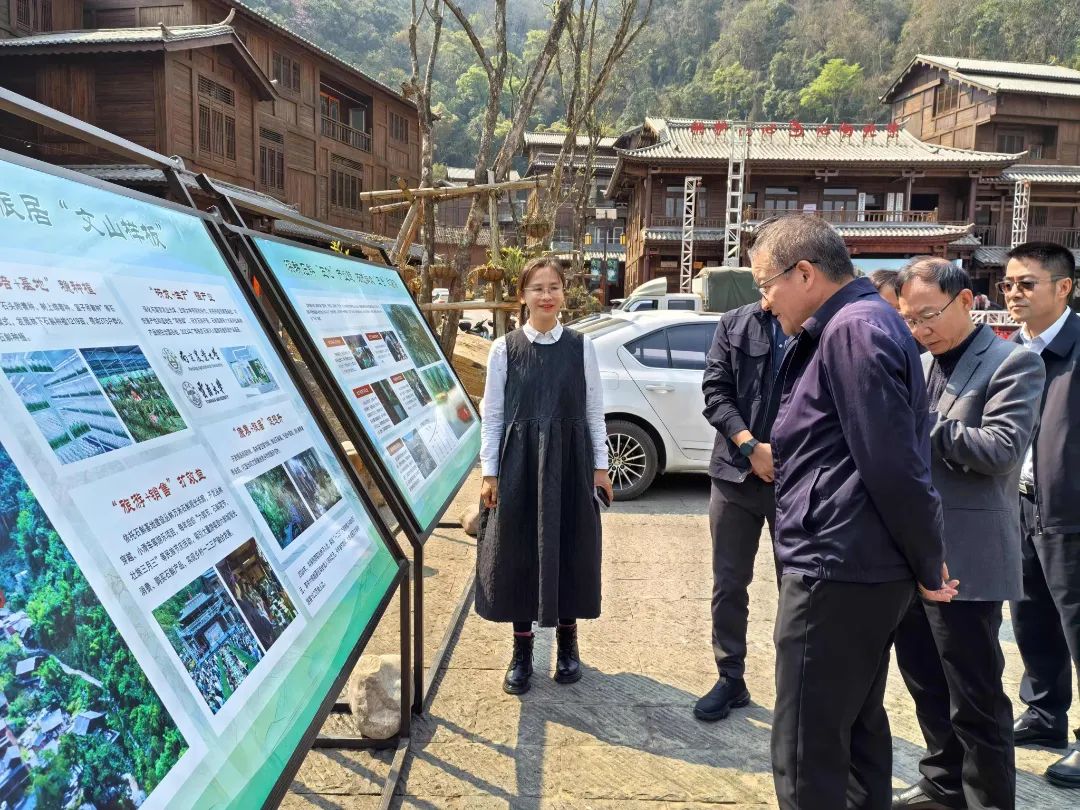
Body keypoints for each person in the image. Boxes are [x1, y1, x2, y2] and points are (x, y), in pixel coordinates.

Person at [751, 214, 957, 810]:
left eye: (766, 284)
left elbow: (893, 465)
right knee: (857, 724)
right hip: (856, 561)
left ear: (804, 273)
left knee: (807, 743)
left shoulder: (852, 331)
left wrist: (929, 562)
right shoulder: (862, 323)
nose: (764, 302)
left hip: (837, 565)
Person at [891, 257, 1044, 810]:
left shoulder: (1013, 363)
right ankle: (943, 782)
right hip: (911, 553)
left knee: (974, 693)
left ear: (965, 301)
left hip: (967, 557)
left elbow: (1002, 451)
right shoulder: (917, 362)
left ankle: (988, 799)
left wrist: (918, 419)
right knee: (924, 679)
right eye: (909, 320)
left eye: (928, 316)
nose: (919, 329)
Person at [477, 257, 613, 695]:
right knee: (518, 550)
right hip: (519, 462)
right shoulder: (504, 349)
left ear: (563, 294)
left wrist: (600, 467)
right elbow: (493, 416)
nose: (546, 295)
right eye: (537, 288)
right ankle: (522, 652)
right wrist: (490, 473)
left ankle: (568, 645)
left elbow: (594, 410)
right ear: (523, 295)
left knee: (570, 547)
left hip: (571, 461)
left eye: (553, 287)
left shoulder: (581, 346)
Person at [1001, 241, 1080, 789]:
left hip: (1072, 509)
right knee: (1032, 616)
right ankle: (1045, 714)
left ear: (1064, 287)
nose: (1013, 294)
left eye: (1026, 284)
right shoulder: (1014, 350)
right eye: (1008, 284)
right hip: (1022, 504)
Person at [695, 301, 787, 721]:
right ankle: (730, 677)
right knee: (729, 585)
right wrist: (750, 446)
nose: (765, 286)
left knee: (798, 590)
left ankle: (796, 691)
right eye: (759, 277)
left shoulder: (818, 325)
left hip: (795, 481)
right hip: (734, 474)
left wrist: (779, 457)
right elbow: (716, 392)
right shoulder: (735, 323)